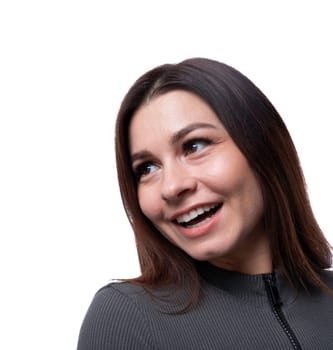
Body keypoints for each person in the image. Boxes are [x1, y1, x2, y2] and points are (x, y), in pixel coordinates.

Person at [77, 58, 333, 349]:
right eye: (147, 168)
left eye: (194, 146)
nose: (172, 186)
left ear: (264, 148)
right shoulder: (128, 318)